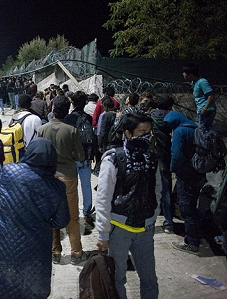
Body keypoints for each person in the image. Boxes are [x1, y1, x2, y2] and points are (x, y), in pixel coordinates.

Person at [0, 137, 70, 299]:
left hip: (4, 242)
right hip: (36, 249)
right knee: (29, 289)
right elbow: (62, 221)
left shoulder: (10, 171)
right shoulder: (57, 187)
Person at [95, 112, 160, 299]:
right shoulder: (114, 159)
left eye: (149, 132)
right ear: (128, 133)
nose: (146, 136)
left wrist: (153, 217)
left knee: (149, 278)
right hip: (119, 230)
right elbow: (103, 198)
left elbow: (156, 190)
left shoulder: (152, 159)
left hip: (145, 229)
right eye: (141, 132)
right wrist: (103, 233)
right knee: (117, 278)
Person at [37, 95, 87, 265]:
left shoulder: (42, 130)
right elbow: (80, 156)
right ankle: (76, 253)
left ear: (52, 110)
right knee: (72, 217)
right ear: (67, 112)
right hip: (68, 177)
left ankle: (55, 252)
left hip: (49, 177)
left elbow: (38, 153)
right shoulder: (72, 131)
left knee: (51, 216)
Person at [164, 111, 206, 254]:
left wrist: (173, 169)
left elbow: (176, 154)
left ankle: (191, 243)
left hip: (185, 174)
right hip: (199, 172)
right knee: (195, 206)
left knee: (187, 208)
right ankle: (197, 235)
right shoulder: (195, 126)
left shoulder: (180, 131)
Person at [64, 92, 96, 228]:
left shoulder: (68, 118)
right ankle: (87, 210)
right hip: (86, 157)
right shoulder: (88, 118)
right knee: (86, 184)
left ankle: (73, 211)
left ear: (72, 103)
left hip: (72, 157)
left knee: (72, 186)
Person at [149, 95, 174, 233]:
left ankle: (150, 220)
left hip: (153, 155)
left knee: (152, 188)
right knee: (165, 190)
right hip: (166, 156)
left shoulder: (152, 114)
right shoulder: (172, 117)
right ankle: (168, 222)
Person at [183, 63, 216, 129]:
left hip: (207, 110)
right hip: (201, 109)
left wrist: (205, 108)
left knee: (203, 129)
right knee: (204, 129)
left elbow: (211, 95)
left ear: (191, 74)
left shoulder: (202, 82)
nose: (183, 74)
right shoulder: (193, 82)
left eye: (185, 72)